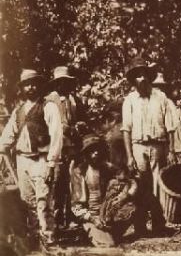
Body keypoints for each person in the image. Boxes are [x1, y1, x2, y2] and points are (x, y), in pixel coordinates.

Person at [0, 69, 62, 245]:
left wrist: (52, 163)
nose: (31, 87)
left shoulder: (48, 106)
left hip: (41, 159)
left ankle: (48, 237)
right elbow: (7, 137)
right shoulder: (18, 111)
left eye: (34, 83)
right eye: (27, 84)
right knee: (27, 201)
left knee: (44, 200)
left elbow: (56, 136)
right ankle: (36, 237)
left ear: (39, 85)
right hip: (22, 160)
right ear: (22, 88)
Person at [121, 57, 175, 235]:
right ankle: (140, 225)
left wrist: (171, 150)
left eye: (144, 75)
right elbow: (126, 130)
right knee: (140, 185)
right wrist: (129, 156)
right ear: (133, 80)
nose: (142, 79)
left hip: (158, 146)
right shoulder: (129, 100)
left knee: (159, 185)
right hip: (138, 146)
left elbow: (170, 126)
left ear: (149, 77)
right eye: (138, 76)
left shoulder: (161, 97)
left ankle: (159, 224)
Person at [46, 65, 85, 230]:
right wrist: (68, 128)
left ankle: (70, 217)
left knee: (71, 183)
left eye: (68, 82)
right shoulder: (49, 100)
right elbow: (53, 125)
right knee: (57, 184)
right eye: (62, 82)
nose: (65, 85)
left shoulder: (73, 100)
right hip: (57, 147)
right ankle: (55, 219)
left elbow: (75, 120)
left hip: (71, 148)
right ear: (57, 83)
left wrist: (79, 126)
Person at [70, 134, 119, 247]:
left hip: (108, 215)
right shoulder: (79, 172)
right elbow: (76, 206)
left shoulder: (109, 168)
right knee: (109, 244)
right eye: (92, 150)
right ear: (86, 154)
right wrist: (93, 219)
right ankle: (87, 231)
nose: (96, 153)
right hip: (91, 217)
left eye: (98, 149)